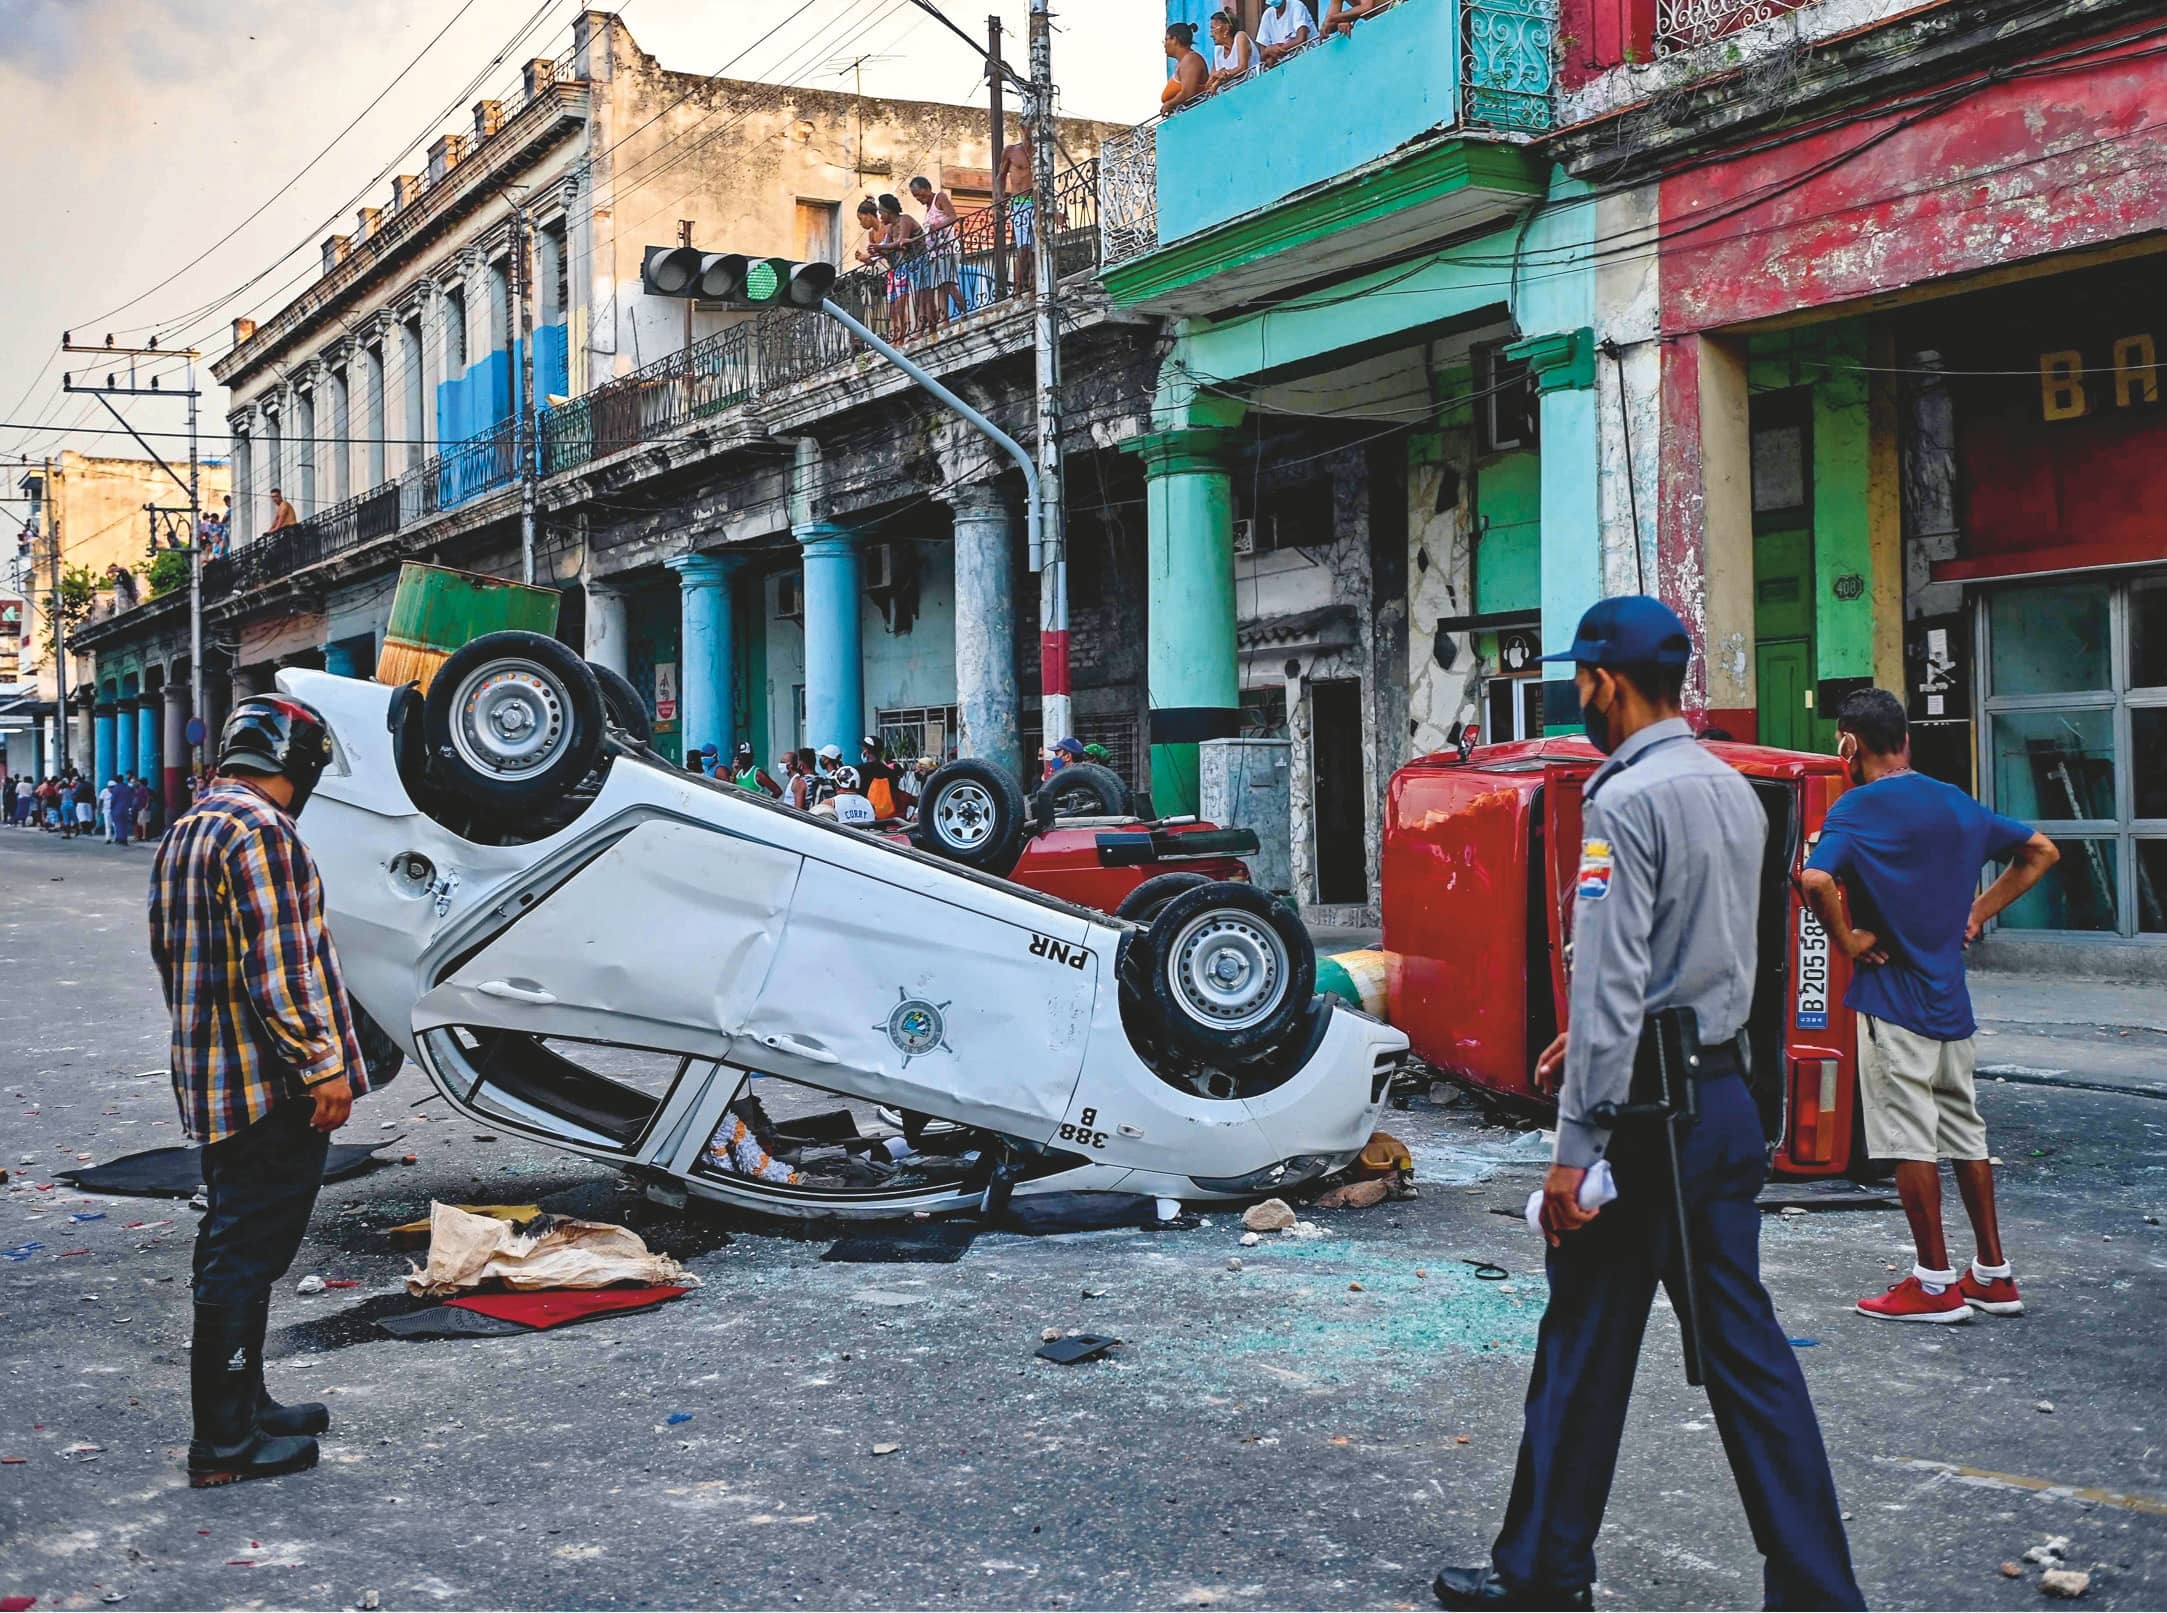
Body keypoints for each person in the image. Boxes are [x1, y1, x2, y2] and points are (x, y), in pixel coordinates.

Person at [1434, 596, 1864, 1613]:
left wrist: (1569, 1149)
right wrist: (1592, 1039)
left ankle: (1545, 1567)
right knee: (1731, 1355)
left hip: (1639, 1118)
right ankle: (1806, 1589)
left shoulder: (1621, 801)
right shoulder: (1727, 786)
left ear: (1605, 683)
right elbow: (1704, 956)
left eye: (1579, 679)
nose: (1576, 695)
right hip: (1714, 1098)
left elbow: (1614, 975)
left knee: (1591, 1338)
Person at [147, 695, 368, 1488]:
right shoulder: (263, 833)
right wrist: (324, 1065)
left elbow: (179, 958)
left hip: (213, 1077)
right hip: (270, 1086)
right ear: (298, 763)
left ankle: (247, 1404)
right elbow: (277, 970)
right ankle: (225, 1444)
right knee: (246, 1252)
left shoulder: (192, 826)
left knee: (238, 1241)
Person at [1799, 688, 2058, 1325]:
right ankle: (1993, 1274)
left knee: (1907, 1139)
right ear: (1906, 740)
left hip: (1893, 1005)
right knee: (1966, 1135)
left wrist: (1849, 940)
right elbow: (2042, 851)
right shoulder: (1956, 803)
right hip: (1951, 1005)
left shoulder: (1856, 809)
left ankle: (1933, 1282)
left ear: (1849, 744)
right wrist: (1978, 910)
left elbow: (1814, 879)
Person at [909, 177, 960, 330]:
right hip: (935, 253)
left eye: (920, 195)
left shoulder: (940, 198)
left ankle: (964, 310)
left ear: (927, 188)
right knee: (940, 287)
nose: (918, 199)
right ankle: (944, 321)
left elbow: (953, 217)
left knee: (948, 285)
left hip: (947, 249)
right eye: (915, 196)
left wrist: (936, 226)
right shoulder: (927, 208)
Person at [873, 193, 926, 339]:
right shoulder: (890, 228)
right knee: (897, 302)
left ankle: (918, 330)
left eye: (881, 212)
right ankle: (899, 333)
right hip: (903, 267)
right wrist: (874, 252)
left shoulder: (905, 220)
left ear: (888, 212)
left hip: (918, 263)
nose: (880, 216)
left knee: (918, 298)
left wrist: (879, 247)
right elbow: (887, 247)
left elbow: (900, 242)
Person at [1000, 131, 1036, 299]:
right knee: (1023, 248)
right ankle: (1018, 288)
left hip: (1036, 203)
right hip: (1019, 203)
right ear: (1022, 130)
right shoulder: (1011, 151)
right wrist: (999, 198)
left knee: (1036, 249)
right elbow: (1000, 176)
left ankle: (1034, 285)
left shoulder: (1040, 151)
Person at [1161, 22, 1210, 112]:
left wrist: (1169, 104)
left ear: (1174, 40)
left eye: (1166, 40)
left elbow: (1188, 93)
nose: (1164, 45)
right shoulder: (1182, 62)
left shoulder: (1191, 60)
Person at [1205, 10, 1258, 91]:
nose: (1211, 34)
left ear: (1226, 28)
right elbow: (1209, 85)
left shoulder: (1240, 37)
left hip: (1252, 87)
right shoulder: (1218, 50)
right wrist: (1213, 78)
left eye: (1213, 29)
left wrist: (1220, 79)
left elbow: (1243, 68)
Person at [1256, 0, 1318, 66]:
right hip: (1286, 66)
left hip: (1311, 58)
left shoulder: (1296, 6)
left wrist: (1276, 50)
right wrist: (1268, 51)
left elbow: (1301, 39)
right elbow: (1262, 55)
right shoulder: (1267, 15)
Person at [1322, 0, 1393, 37]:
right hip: (1380, 24)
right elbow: (1328, 27)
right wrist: (1341, 20)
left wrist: (1340, 18)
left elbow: (1367, 7)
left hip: (1395, 10)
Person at [107, 774, 132, 847]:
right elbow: (131, 798)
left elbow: (113, 800)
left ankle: (120, 838)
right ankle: (124, 838)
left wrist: (111, 807)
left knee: (118, 824)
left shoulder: (116, 789)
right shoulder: (127, 787)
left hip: (117, 809)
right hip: (126, 808)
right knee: (124, 825)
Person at [70, 772, 95, 839]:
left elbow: (75, 796)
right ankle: (88, 831)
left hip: (80, 803)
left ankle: (85, 830)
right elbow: (93, 795)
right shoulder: (89, 785)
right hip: (88, 803)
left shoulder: (78, 786)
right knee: (89, 817)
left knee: (82, 817)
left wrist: (74, 802)